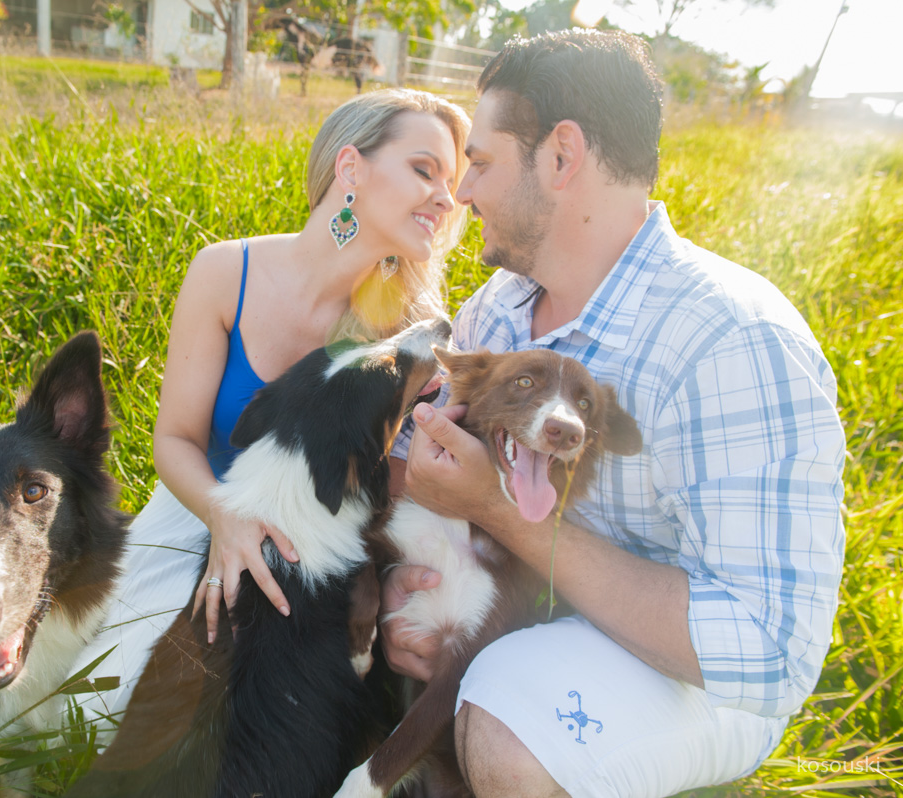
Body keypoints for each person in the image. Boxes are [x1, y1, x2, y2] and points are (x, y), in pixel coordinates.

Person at [379, 30, 846, 798]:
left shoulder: (730, 340)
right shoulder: (498, 312)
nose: (463, 193)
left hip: (698, 680)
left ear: (562, 158)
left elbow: (764, 651)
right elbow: (434, 483)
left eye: (484, 163)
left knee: (509, 721)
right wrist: (419, 594)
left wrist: (502, 516)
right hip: (537, 607)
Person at [69, 88, 471, 732]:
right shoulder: (227, 270)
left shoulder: (410, 333)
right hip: (203, 504)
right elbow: (174, 439)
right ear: (351, 169)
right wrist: (225, 516)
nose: (447, 199)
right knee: (101, 710)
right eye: (425, 170)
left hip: (311, 549)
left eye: (452, 182)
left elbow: (393, 488)